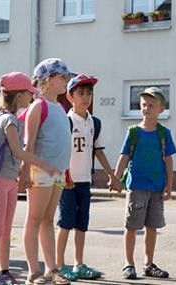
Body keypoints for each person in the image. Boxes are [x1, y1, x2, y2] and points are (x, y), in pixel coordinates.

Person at [0, 72, 61, 285]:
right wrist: (44, 164)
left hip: (7, 180)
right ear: (18, 96)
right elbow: (18, 151)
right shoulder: (8, 120)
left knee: (6, 229)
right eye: (29, 94)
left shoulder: (13, 119)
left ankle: (4, 271)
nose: (31, 98)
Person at [55, 75, 122, 281]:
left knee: (82, 224)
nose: (85, 97)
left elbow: (98, 152)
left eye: (89, 93)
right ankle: (59, 265)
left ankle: (78, 264)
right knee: (65, 223)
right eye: (81, 93)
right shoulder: (65, 121)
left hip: (84, 180)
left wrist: (113, 176)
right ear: (70, 96)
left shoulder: (95, 123)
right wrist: (64, 175)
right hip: (67, 182)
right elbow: (59, 151)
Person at [112, 87, 176, 280]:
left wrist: (169, 185)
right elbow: (124, 156)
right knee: (131, 226)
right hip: (137, 186)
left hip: (156, 187)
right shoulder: (133, 132)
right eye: (143, 105)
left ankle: (149, 264)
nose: (147, 109)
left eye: (151, 105)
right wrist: (116, 178)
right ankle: (128, 264)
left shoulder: (164, 134)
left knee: (152, 226)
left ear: (161, 109)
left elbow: (168, 160)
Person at [20, 58, 75, 285]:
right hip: (40, 170)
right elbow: (29, 145)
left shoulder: (60, 107)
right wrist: (25, 171)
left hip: (58, 172)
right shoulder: (38, 106)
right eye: (63, 78)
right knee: (34, 219)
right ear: (48, 80)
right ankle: (34, 271)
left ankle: (52, 269)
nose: (67, 82)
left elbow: (62, 142)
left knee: (48, 219)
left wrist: (66, 170)